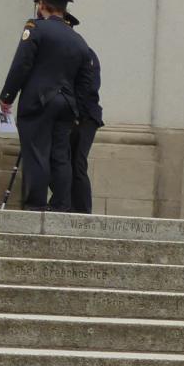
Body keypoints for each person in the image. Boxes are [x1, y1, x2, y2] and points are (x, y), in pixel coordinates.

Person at [0, 0, 94, 212]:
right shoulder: (79, 40)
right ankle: (61, 204)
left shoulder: (36, 28)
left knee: (37, 152)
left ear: (42, 6)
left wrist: (7, 96)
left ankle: (36, 205)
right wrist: (78, 109)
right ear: (63, 11)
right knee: (61, 156)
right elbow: (86, 81)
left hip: (38, 102)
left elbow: (21, 64)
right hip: (67, 105)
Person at [63, 11, 102, 215]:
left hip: (85, 116)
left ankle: (83, 211)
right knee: (63, 162)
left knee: (77, 162)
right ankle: (65, 203)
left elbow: (88, 88)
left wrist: (76, 115)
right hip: (68, 115)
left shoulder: (85, 53)